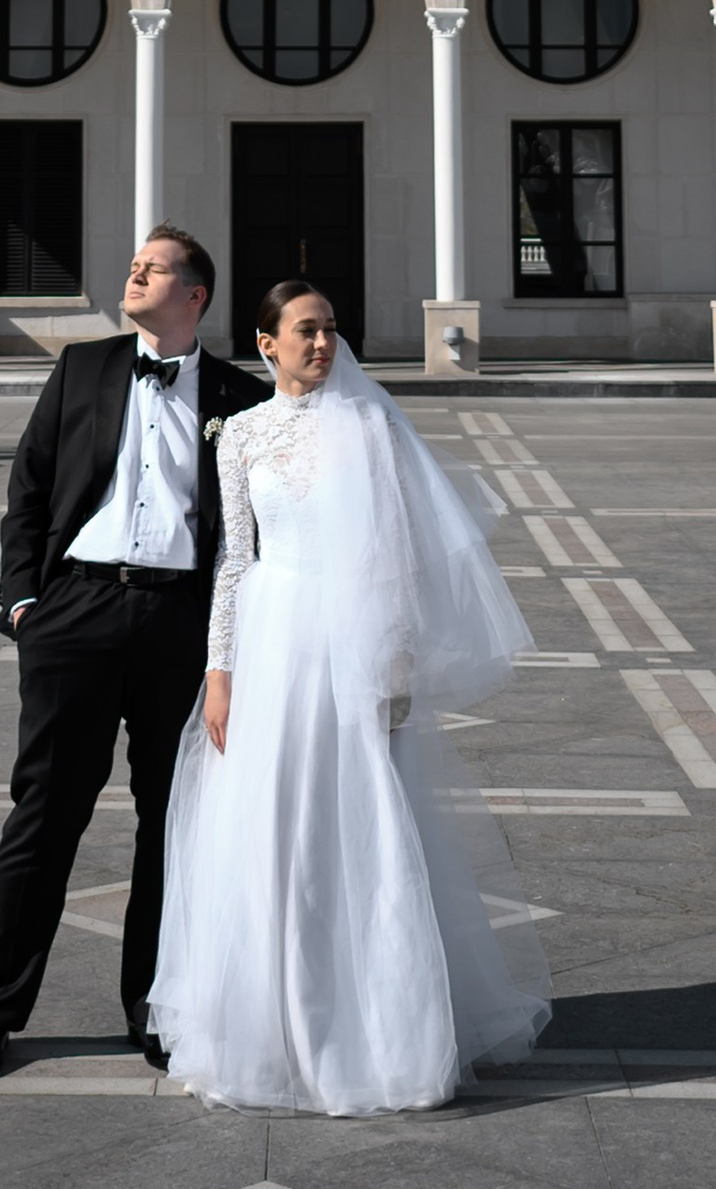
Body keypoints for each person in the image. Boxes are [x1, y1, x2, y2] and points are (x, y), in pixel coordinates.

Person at [148, 281, 551, 1115]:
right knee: (271, 827)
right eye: (306, 329)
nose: (324, 342)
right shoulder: (241, 434)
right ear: (267, 343)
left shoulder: (372, 426)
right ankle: (268, 1032)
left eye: (331, 328)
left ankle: (378, 1035)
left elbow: (398, 553)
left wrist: (393, 665)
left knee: (360, 823)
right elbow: (234, 560)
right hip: (270, 643)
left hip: (353, 643)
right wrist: (219, 673)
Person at [0, 224, 269, 1081]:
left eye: (153, 268)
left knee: (173, 824)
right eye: (134, 264)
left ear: (195, 295)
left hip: (181, 625)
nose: (134, 274)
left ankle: (153, 1009)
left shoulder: (240, 399)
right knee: (44, 816)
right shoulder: (82, 367)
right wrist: (24, 600)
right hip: (76, 614)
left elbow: (255, 529)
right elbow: (29, 485)